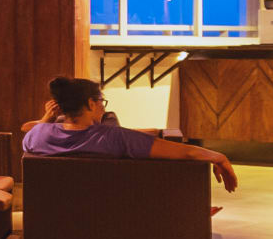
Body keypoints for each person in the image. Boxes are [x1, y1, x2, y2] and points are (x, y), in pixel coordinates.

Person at [22, 76, 239, 194]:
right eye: (100, 102)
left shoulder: (37, 135)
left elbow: (33, 129)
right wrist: (218, 156)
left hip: (56, 221)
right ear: (90, 103)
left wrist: (46, 118)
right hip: (112, 217)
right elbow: (186, 153)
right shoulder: (115, 138)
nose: (102, 107)